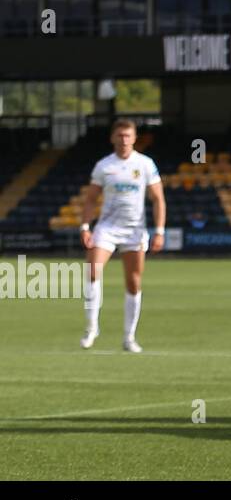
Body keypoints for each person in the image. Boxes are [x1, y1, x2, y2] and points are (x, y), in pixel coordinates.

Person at [79, 118, 166, 353]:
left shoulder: (146, 164)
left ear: (135, 138)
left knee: (133, 281)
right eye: (120, 135)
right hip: (106, 228)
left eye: (128, 135)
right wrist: (85, 226)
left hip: (134, 230)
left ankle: (129, 337)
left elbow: (158, 199)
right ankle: (91, 328)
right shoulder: (104, 166)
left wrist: (159, 231)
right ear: (112, 138)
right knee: (92, 270)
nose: (124, 140)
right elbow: (90, 199)